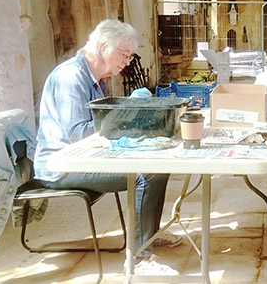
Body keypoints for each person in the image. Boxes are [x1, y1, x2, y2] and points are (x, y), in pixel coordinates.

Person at [33, 19, 180, 267]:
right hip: (62, 164)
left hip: (86, 157)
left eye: (130, 55)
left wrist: (135, 119)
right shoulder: (71, 76)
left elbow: (103, 127)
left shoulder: (96, 78)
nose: (127, 61)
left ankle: (150, 235)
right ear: (103, 46)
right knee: (146, 173)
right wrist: (128, 119)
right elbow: (78, 133)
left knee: (159, 164)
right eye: (124, 53)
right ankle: (140, 258)